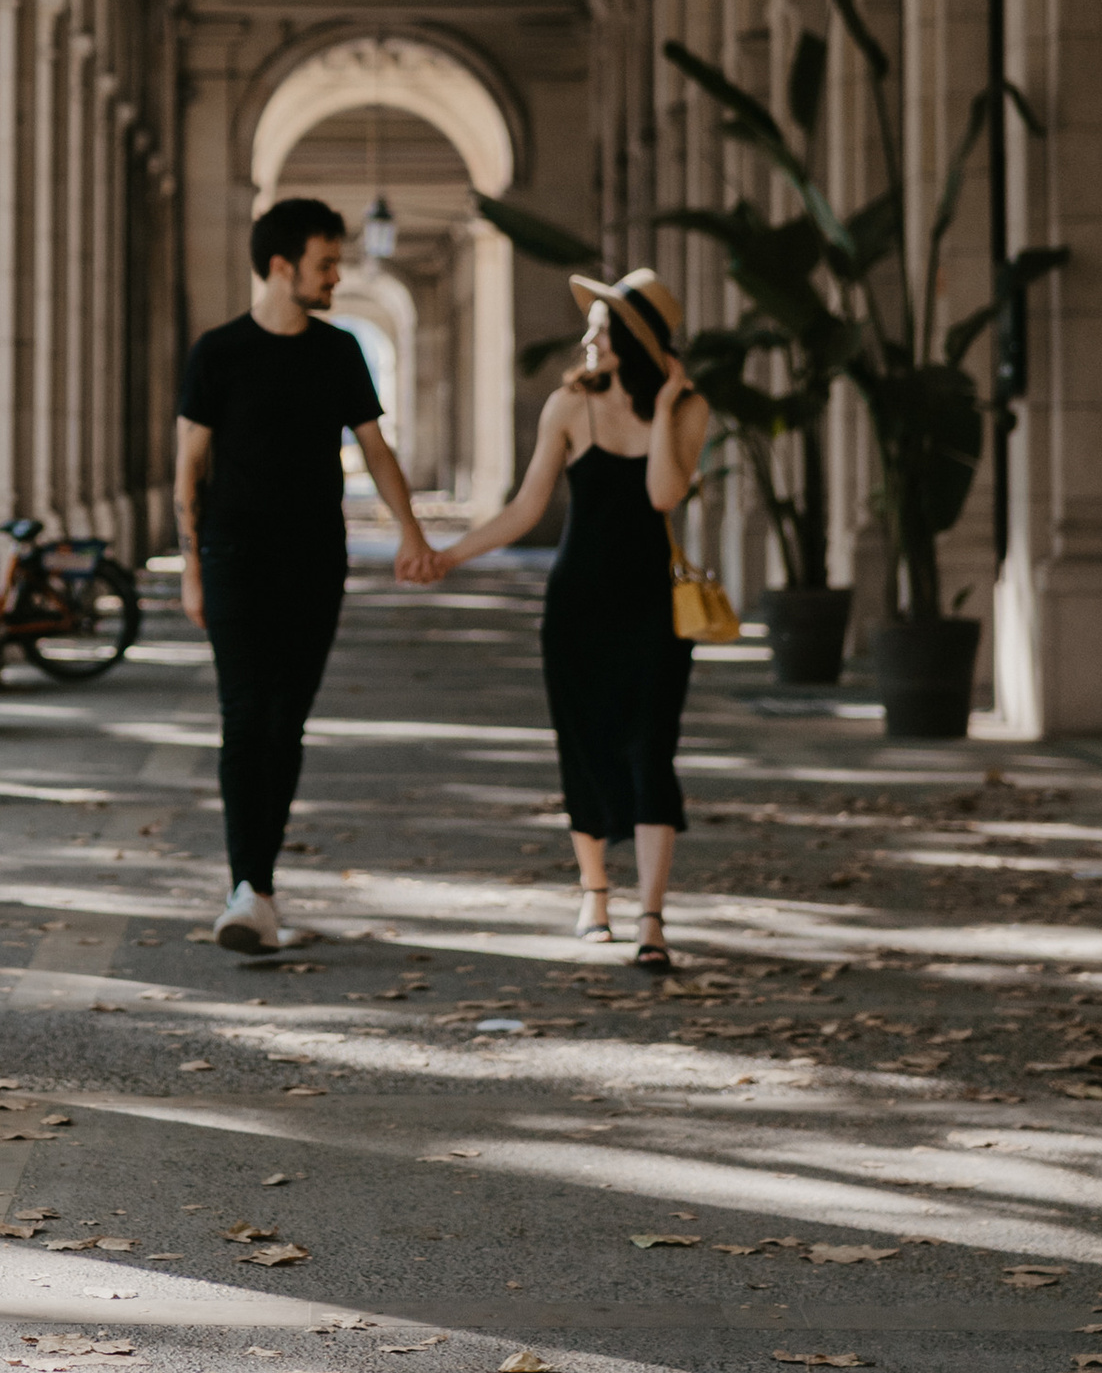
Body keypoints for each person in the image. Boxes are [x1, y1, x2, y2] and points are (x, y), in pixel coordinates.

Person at [176, 195, 444, 953]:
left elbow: (378, 449)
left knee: (284, 723)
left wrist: (411, 532)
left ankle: (256, 891)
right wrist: (192, 570)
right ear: (282, 265)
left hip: (315, 564)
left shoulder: (337, 352)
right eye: (326, 263)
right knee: (243, 718)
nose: (337, 276)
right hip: (232, 559)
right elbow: (187, 472)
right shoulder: (217, 353)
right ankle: (248, 887)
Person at [431, 264, 708, 970]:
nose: (587, 335)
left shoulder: (689, 408)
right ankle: (594, 893)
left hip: (654, 609)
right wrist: (450, 555)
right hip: (577, 605)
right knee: (583, 745)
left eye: (602, 327)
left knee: (652, 751)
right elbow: (527, 508)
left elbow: (661, 497)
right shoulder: (567, 407)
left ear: (633, 342)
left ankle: (651, 918)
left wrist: (670, 403)